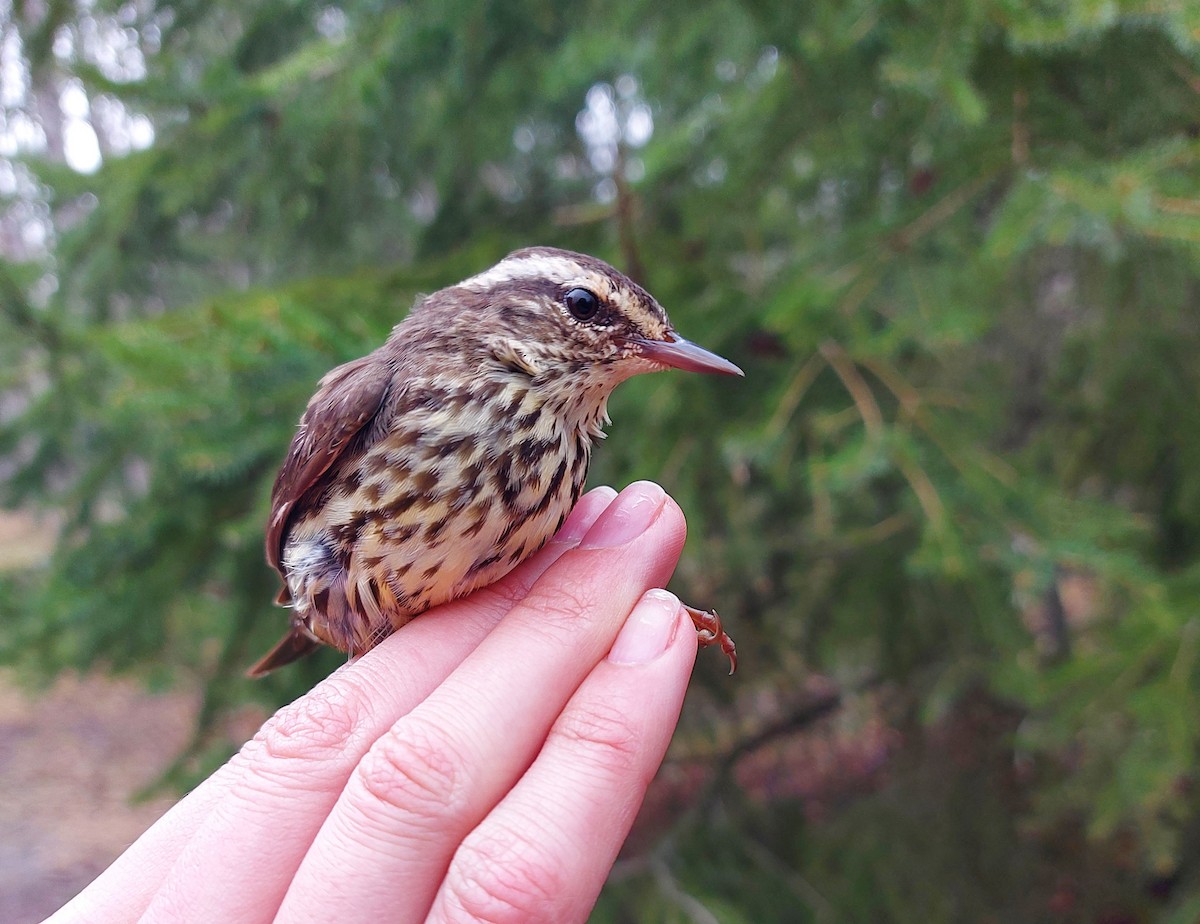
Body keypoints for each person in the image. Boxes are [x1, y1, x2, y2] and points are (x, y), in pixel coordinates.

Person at [47, 481, 700, 923]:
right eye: (586, 310)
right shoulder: (393, 390)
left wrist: (612, 621)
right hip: (351, 612)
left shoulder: (558, 454)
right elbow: (297, 534)